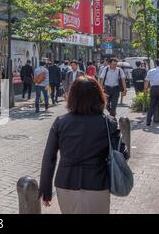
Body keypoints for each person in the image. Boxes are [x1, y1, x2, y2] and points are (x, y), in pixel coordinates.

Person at [39, 76, 129, 214]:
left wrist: (45, 189)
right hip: (98, 183)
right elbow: (123, 154)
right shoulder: (108, 122)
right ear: (99, 97)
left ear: (72, 97)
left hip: (65, 182)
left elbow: (49, 157)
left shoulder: (60, 122)